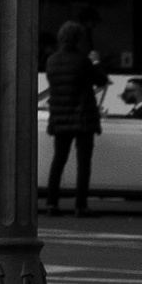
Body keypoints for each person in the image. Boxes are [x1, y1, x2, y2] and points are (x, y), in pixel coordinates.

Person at [45, 20, 106, 217]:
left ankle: (51, 203)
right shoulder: (82, 60)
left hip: (60, 117)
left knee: (58, 160)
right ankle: (81, 205)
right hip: (82, 118)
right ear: (79, 39)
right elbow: (101, 80)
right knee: (83, 162)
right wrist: (96, 61)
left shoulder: (52, 60)